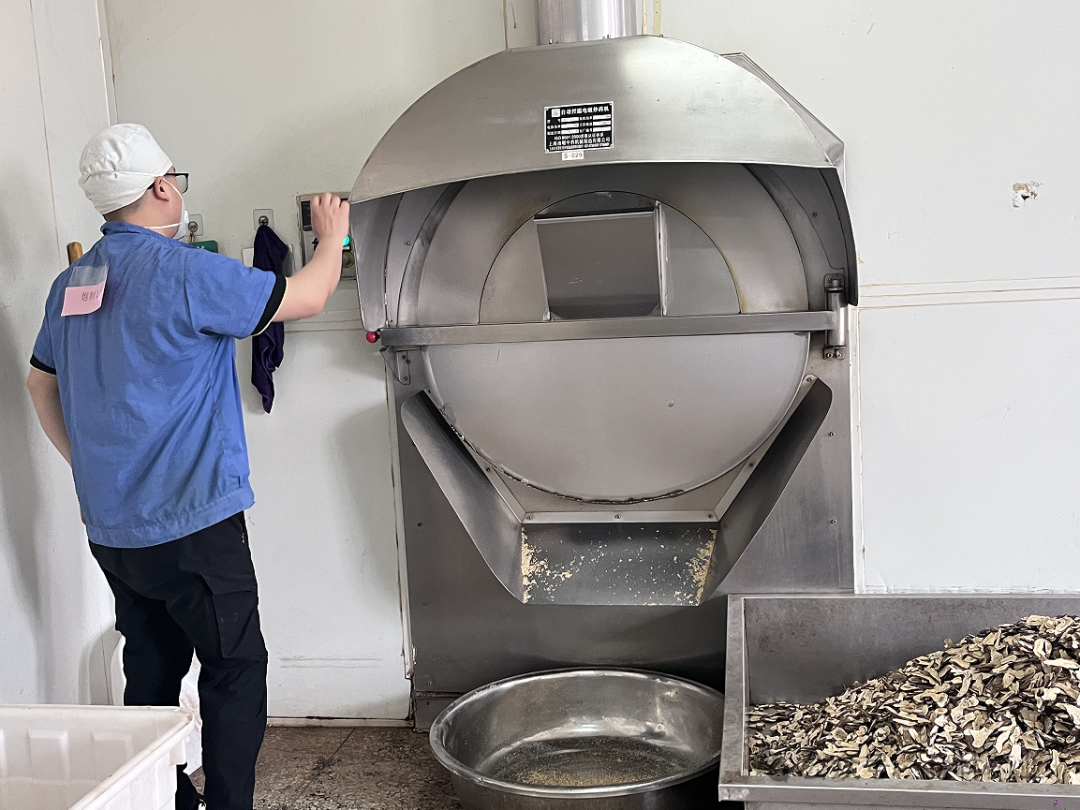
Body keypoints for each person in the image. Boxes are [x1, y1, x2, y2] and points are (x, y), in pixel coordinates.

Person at [25, 123, 350, 810]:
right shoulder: (185, 272)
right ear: (160, 188)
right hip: (194, 522)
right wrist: (331, 236)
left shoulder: (71, 282)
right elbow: (308, 297)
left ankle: (159, 798)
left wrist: (88, 467)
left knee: (151, 666)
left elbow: (39, 384)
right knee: (235, 668)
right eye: (175, 178)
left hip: (113, 527)